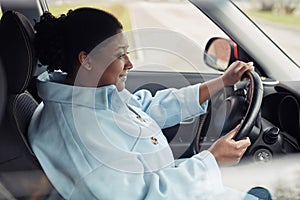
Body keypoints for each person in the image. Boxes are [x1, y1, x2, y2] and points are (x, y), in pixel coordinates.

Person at [28, 7, 271, 200]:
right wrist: (211, 160)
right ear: (87, 60)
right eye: (119, 54)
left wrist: (221, 82)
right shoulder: (77, 133)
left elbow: (148, 108)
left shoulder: (92, 95)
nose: (129, 64)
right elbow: (141, 195)